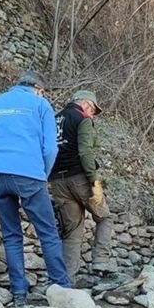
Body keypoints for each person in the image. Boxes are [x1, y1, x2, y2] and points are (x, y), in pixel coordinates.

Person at [0, 70, 71, 306]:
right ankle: (62, 288)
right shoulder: (41, 105)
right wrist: (42, 173)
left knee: (11, 235)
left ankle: (19, 294)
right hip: (29, 174)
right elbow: (50, 149)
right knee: (48, 232)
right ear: (39, 89)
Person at [49, 90, 112, 285]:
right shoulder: (82, 118)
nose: (92, 114)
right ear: (85, 104)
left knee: (72, 231)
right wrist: (94, 181)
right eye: (92, 109)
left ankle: (67, 279)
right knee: (104, 217)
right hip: (79, 177)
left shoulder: (53, 118)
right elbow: (85, 151)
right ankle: (101, 262)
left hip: (57, 180)